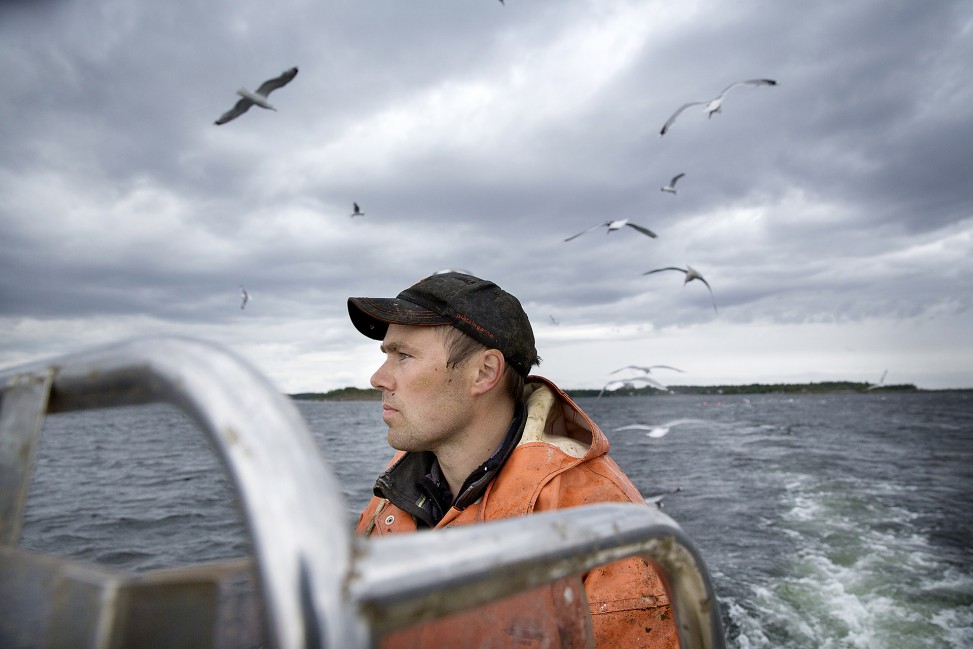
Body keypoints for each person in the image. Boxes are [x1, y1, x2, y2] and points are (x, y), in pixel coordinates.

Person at [348, 271, 678, 649]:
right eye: (387, 355)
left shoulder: (602, 525)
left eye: (403, 356)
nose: (378, 378)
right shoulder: (399, 487)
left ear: (485, 372)